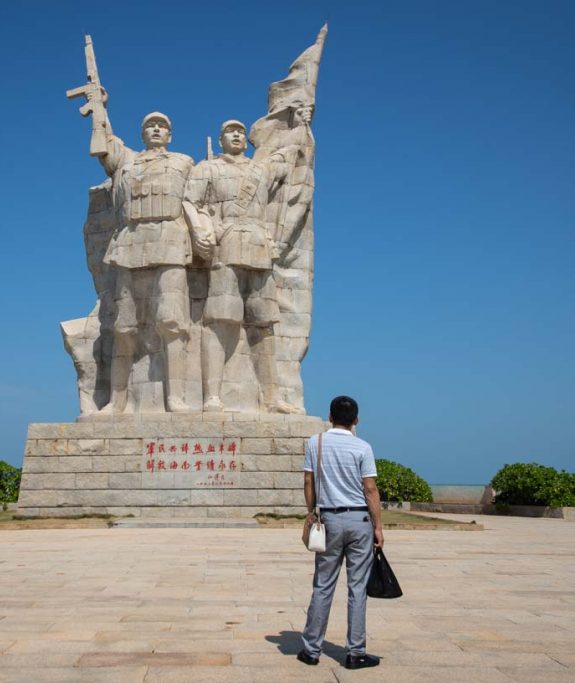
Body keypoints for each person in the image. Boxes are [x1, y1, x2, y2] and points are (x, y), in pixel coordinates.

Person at [182, 120, 300, 414]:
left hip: (260, 246)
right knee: (220, 320)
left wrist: (299, 122)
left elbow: (294, 156)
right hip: (228, 243)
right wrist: (201, 231)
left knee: (264, 323)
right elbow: (189, 201)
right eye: (229, 132)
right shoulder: (207, 168)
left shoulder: (260, 170)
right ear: (220, 139)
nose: (236, 135)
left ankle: (271, 398)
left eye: (240, 132)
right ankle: (212, 396)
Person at [90, 109, 195, 413]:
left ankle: (176, 398)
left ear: (170, 134)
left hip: (171, 242)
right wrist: (100, 107)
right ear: (142, 134)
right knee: (123, 327)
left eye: (162, 125)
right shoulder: (127, 161)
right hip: (129, 243)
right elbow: (105, 143)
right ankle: (116, 401)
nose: (157, 129)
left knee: (172, 322)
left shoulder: (184, 163)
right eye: (150, 125)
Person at [298, 395, 383, 669]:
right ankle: (355, 652)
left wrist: (311, 512)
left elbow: (309, 480)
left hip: (329, 521)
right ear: (356, 420)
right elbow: (370, 489)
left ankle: (311, 650)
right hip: (359, 520)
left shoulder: (316, 442)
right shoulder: (363, 447)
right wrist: (378, 526)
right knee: (357, 588)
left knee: (323, 585)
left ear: (329, 417)